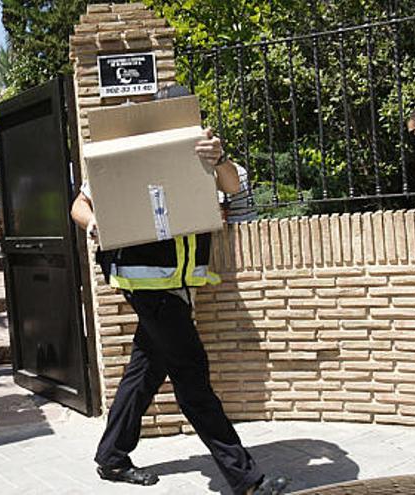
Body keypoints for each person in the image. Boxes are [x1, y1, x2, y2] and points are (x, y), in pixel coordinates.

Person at [70, 85, 290, 495]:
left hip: (175, 285)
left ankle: (111, 456)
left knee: (146, 369)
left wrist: (218, 157)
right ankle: (246, 480)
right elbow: (79, 206)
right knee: (192, 378)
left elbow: (233, 186)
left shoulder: (202, 146)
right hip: (144, 281)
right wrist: (100, 223)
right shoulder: (132, 149)